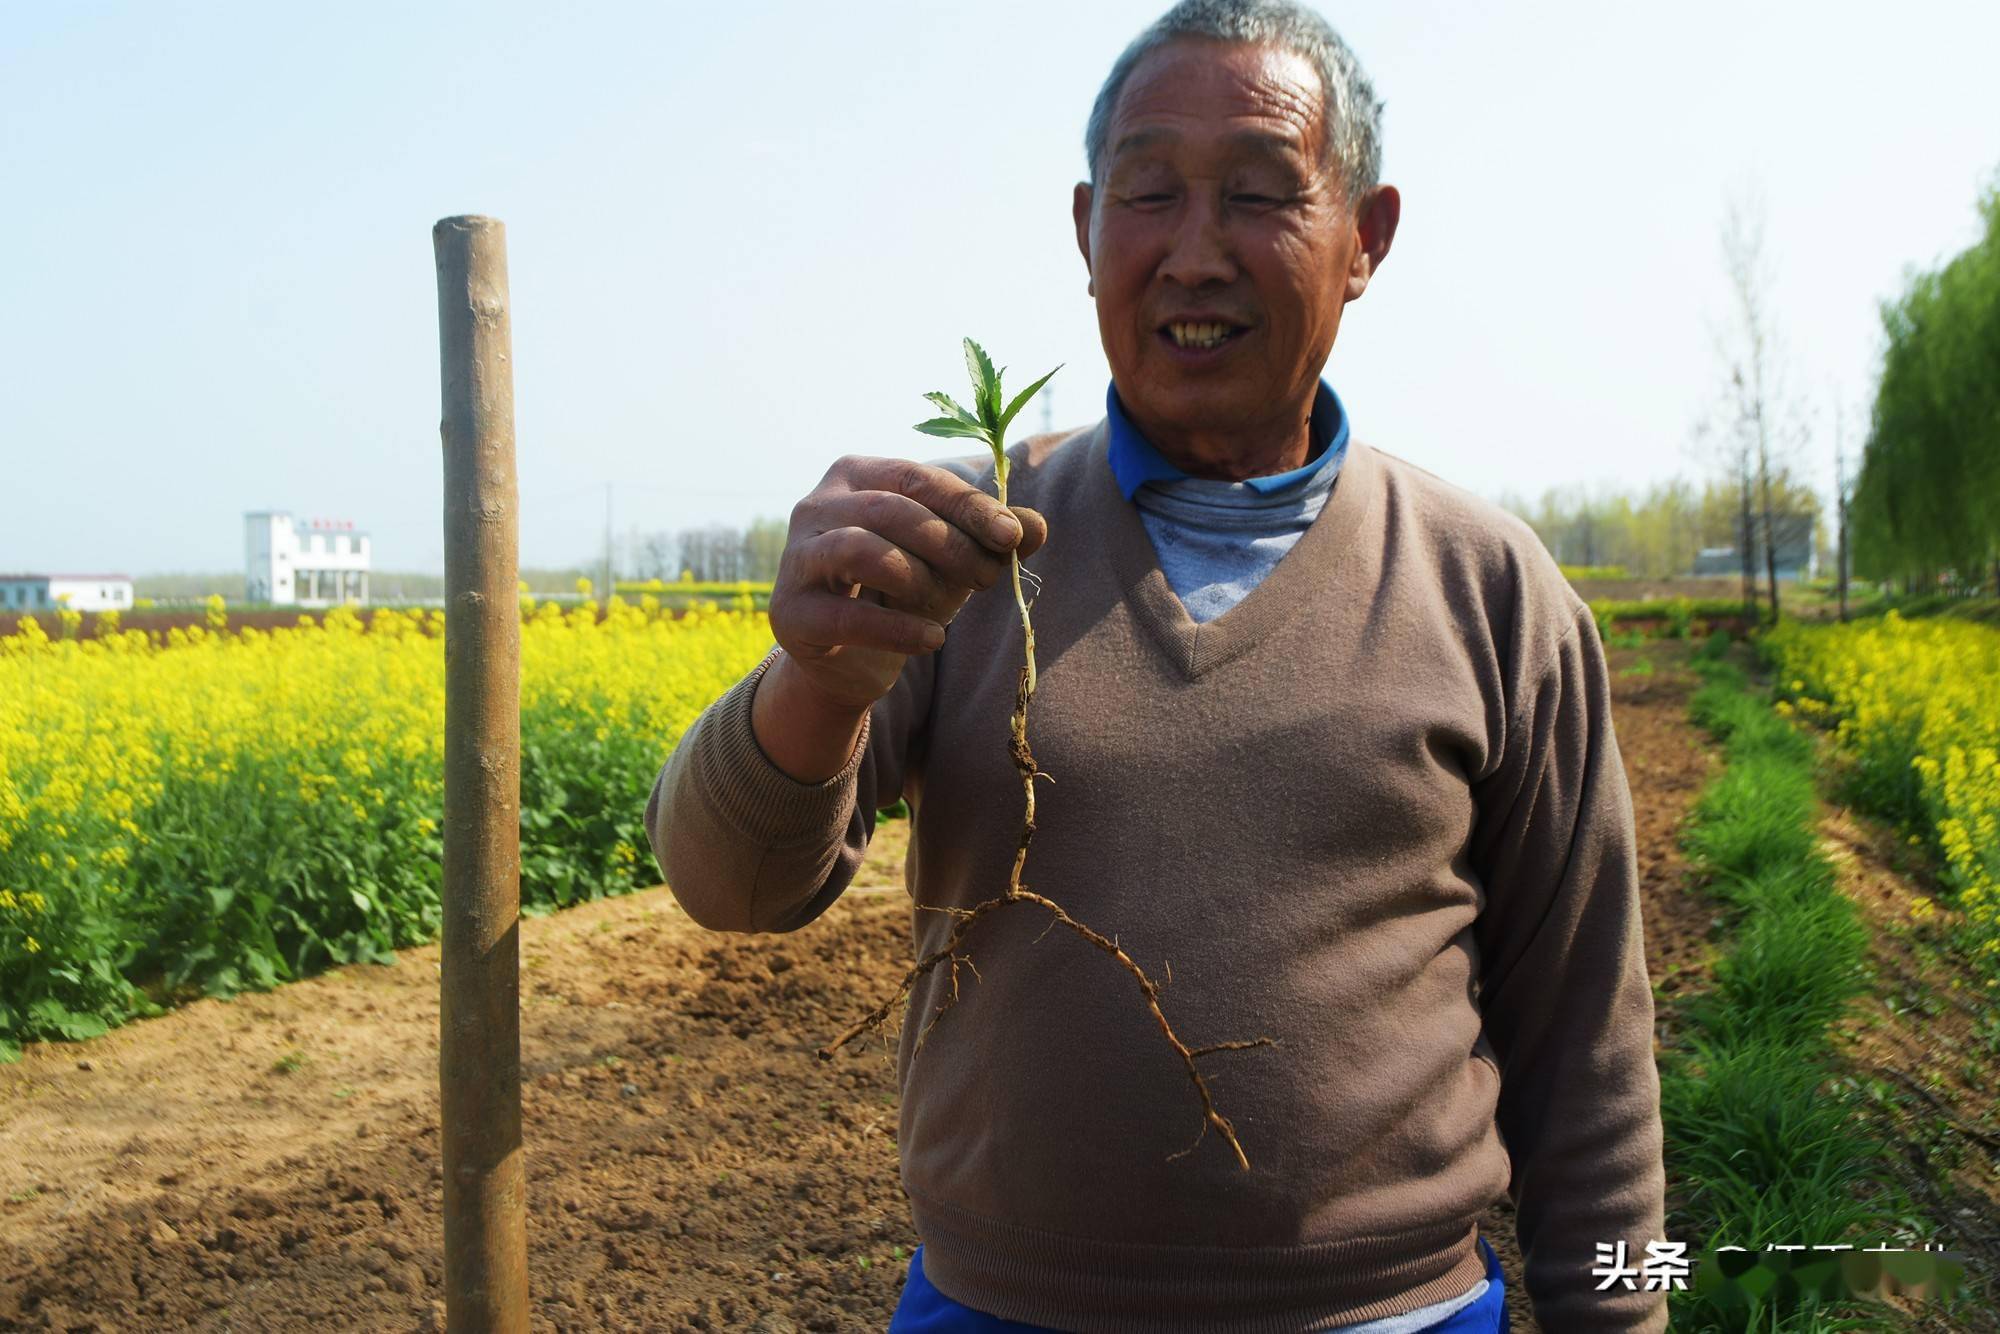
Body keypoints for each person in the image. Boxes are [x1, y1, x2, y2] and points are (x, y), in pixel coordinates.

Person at [645, 1, 1668, 1329]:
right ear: (1085, 230)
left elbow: (1586, 1045)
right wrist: (819, 678)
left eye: (1257, 193)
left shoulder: (1487, 588)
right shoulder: (958, 550)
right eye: (1148, 194)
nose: (1195, 253)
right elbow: (724, 885)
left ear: (1367, 237)